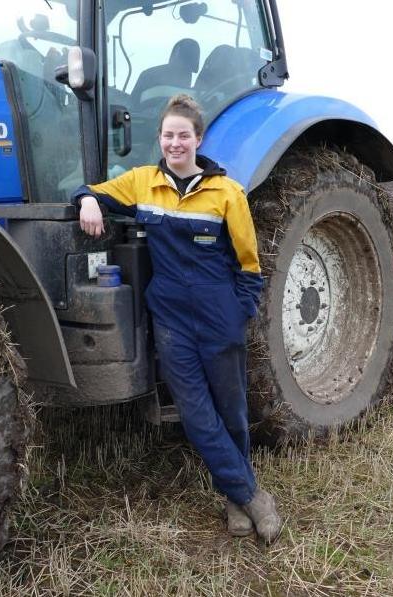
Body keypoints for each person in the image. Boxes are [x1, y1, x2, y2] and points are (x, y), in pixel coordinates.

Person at [72, 94, 282, 543]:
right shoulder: (143, 183)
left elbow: (249, 265)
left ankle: (233, 498)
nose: (174, 143)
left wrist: (237, 312)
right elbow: (94, 190)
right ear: (161, 139)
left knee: (232, 409)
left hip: (218, 313)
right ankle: (250, 494)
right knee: (194, 411)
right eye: (168, 135)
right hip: (171, 317)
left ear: (198, 138)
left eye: (183, 135)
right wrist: (87, 201)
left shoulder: (227, 193)